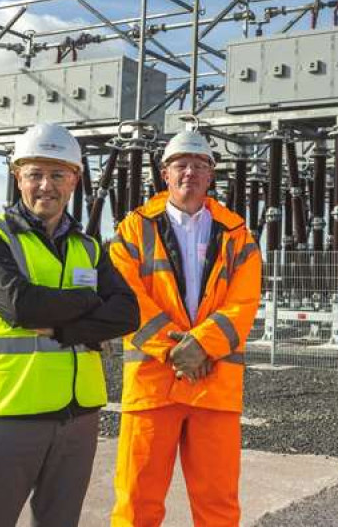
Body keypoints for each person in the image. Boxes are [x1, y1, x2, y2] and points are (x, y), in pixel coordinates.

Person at [0, 122, 139, 527]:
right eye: (35, 174)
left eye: (58, 174)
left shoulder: (89, 246)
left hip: (78, 417)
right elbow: (21, 306)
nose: (46, 186)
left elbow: (127, 313)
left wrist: (63, 329)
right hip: (9, 414)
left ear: (75, 179)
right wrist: (92, 303)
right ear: (17, 176)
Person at [109, 128, 261, 527]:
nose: (189, 173)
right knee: (136, 501)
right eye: (180, 165)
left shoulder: (238, 235)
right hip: (152, 383)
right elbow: (125, 297)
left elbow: (244, 302)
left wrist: (202, 346)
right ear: (165, 173)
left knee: (218, 506)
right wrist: (177, 351)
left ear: (211, 175)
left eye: (198, 165)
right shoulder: (133, 230)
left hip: (214, 386)